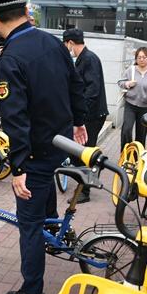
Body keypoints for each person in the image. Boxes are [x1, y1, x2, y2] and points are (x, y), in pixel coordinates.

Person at [0, 0, 87, 294]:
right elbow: (75, 84)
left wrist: (19, 167)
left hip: (36, 152)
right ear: (26, 12)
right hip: (60, 143)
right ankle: (53, 232)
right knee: (44, 201)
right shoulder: (51, 42)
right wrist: (79, 123)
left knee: (28, 222)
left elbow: (15, 117)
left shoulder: (10, 57)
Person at [63, 28, 108, 203]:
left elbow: (92, 91)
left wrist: (79, 116)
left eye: (66, 45)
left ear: (71, 43)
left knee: (81, 153)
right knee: (79, 152)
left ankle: (86, 189)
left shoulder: (89, 59)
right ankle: (87, 181)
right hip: (88, 115)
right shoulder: (83, 59)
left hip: (92, 115)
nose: (67, 49)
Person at [118, 47, 147, 148]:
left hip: (144, 107)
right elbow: (120, 82)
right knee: (126, 130)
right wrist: (127, 84)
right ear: (136, 59)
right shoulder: (131, 70)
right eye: (139, 57)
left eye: (144, 57)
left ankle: (138, 159)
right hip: (130, 105)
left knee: (141, 135)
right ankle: (125, 154)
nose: (141, 59)